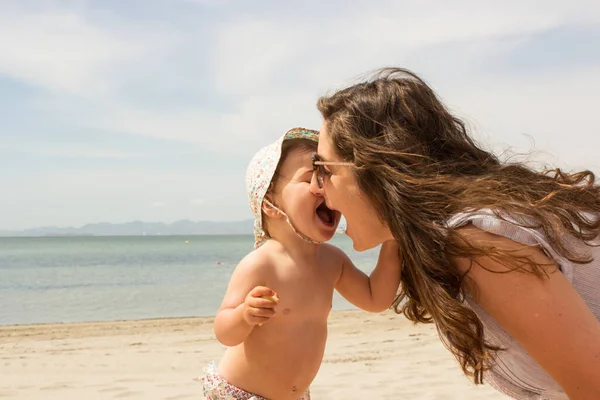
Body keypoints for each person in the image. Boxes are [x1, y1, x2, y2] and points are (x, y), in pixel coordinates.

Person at [310, 68, 600, 400]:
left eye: (324, 170)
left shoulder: (477, 243)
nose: (314, 189)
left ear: (375, 170)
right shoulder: (452, 239)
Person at [201, 127, 401, 400]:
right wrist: (245, 314)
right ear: (270, 203)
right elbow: (224, 331)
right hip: (240, 393)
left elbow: (375, 298)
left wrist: (393, 239)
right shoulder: (262, 264)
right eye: (311, 178)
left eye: (327, 176)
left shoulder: (332, 261)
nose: (323, 187)